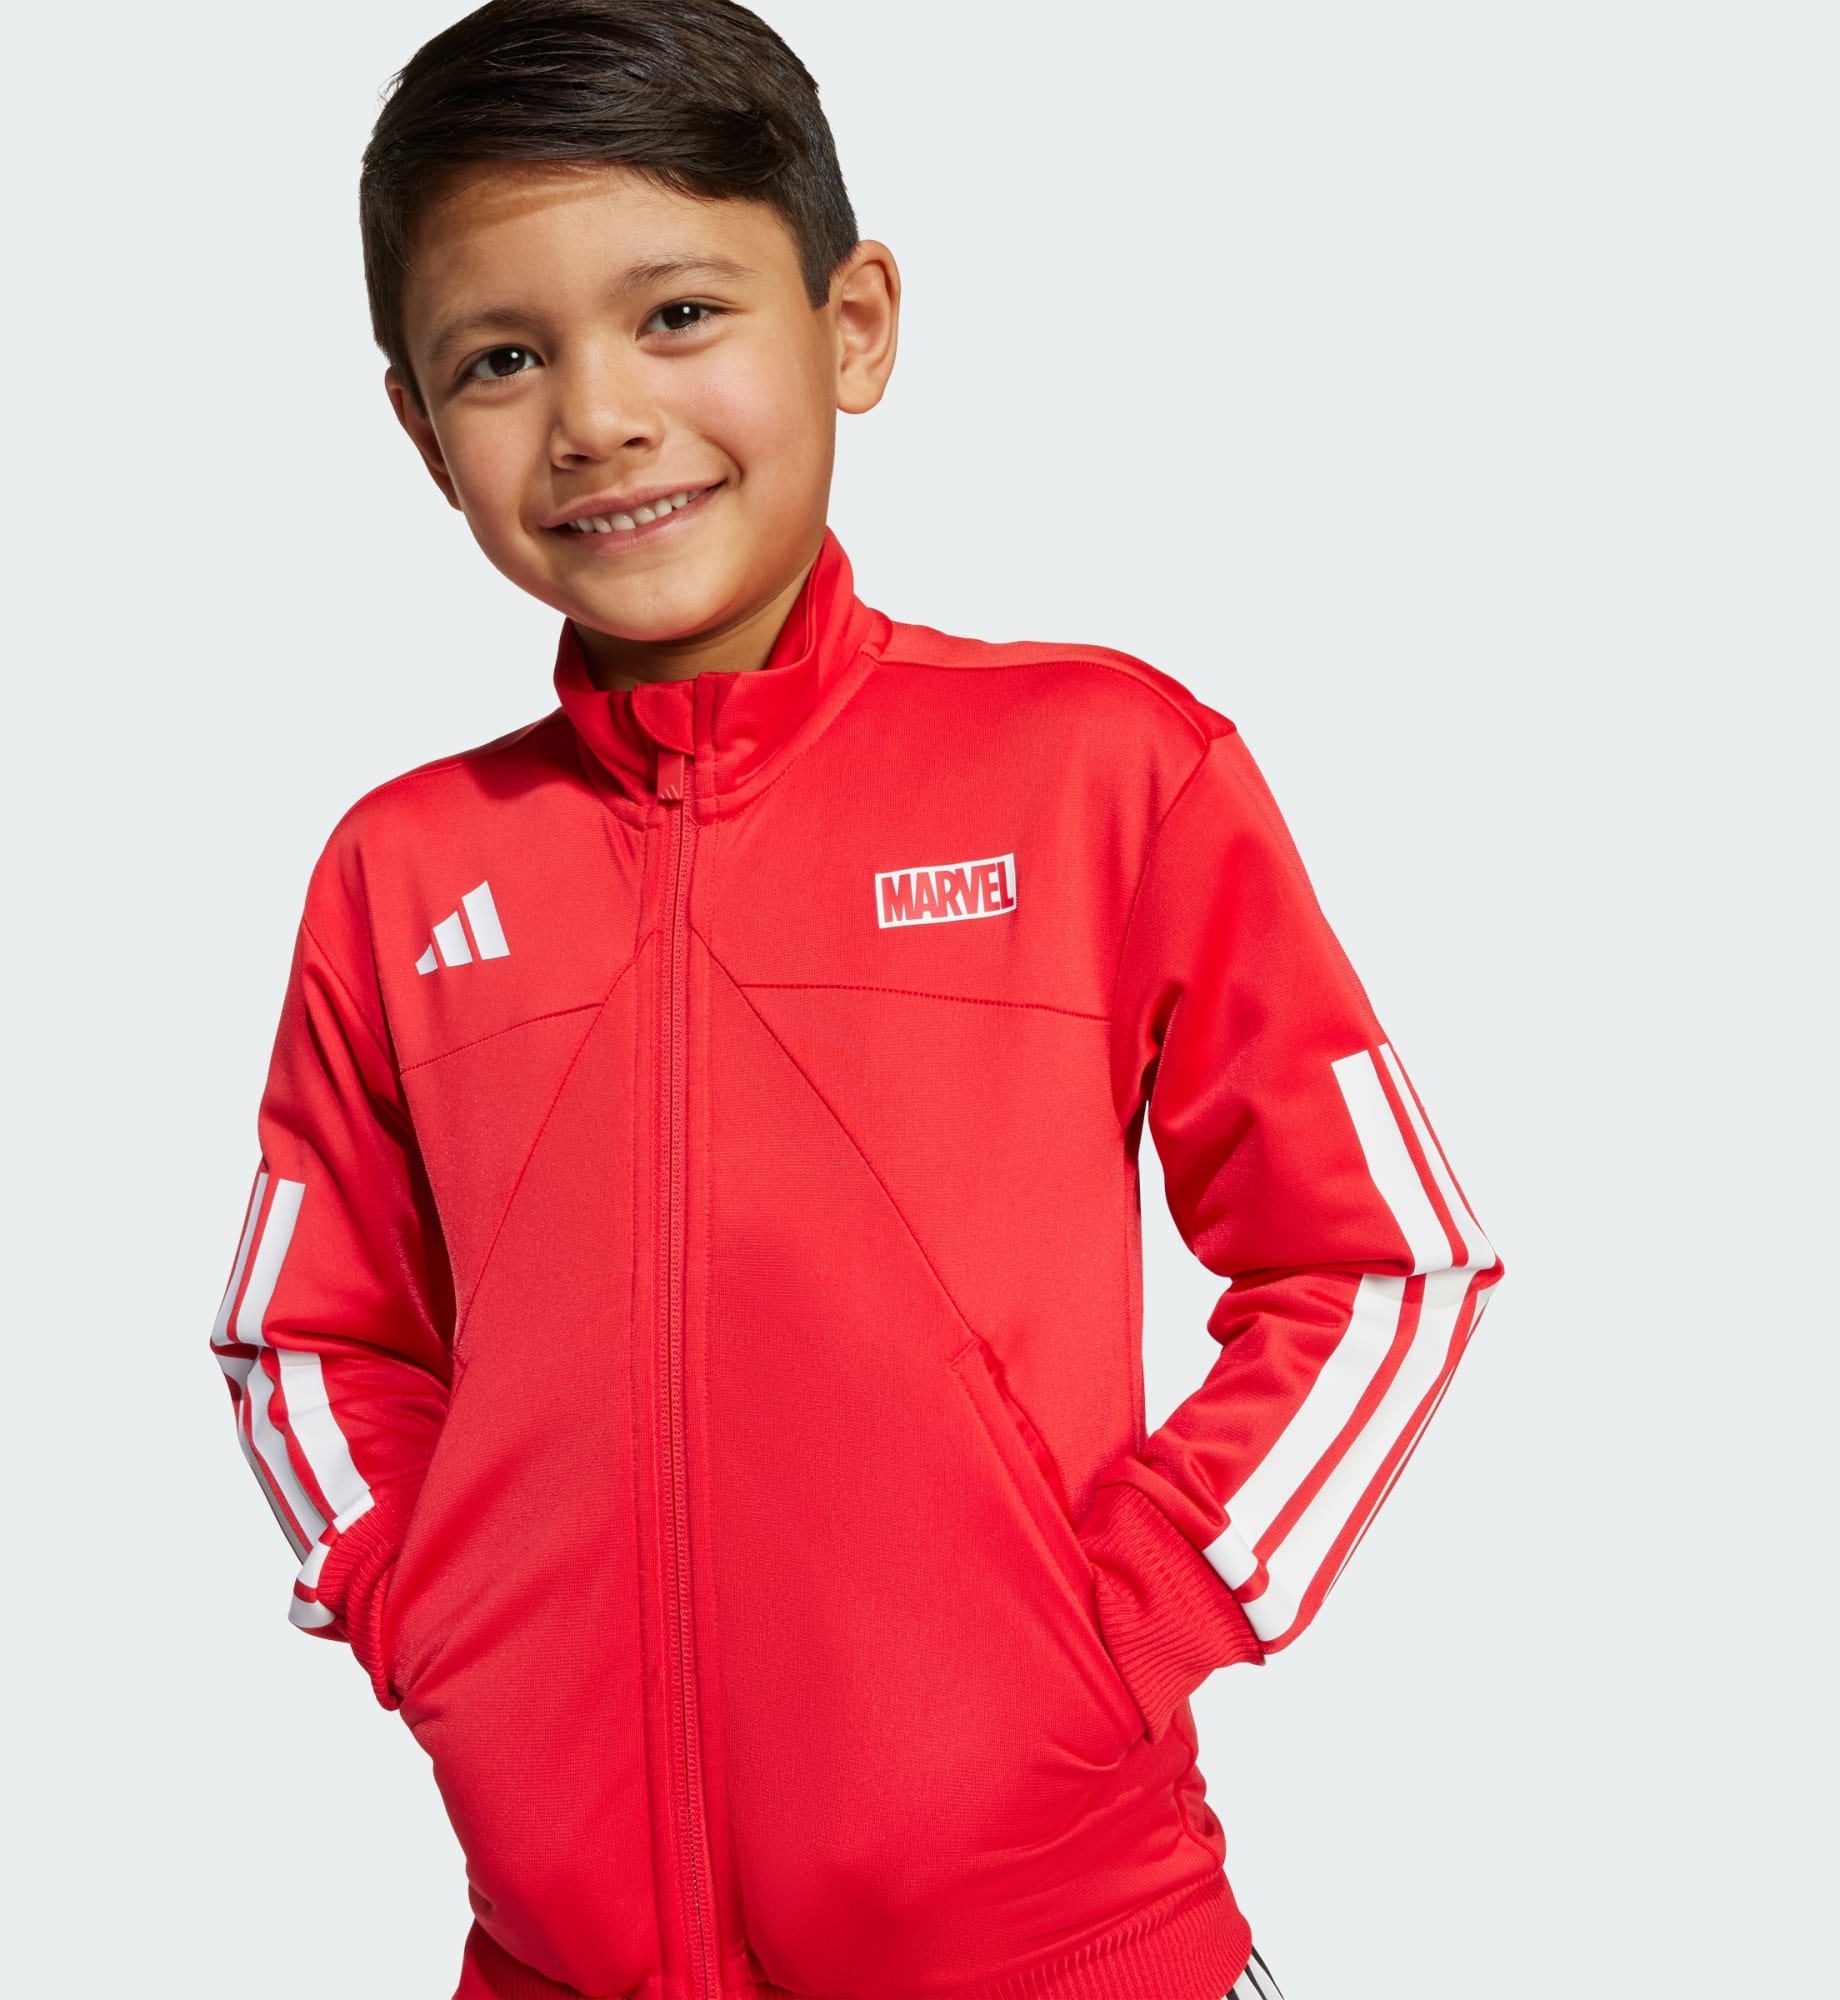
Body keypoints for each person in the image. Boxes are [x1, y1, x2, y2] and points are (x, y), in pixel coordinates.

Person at [205, 5, 1502, 1998]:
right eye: (502, 359)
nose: (598, 417)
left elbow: (1384, 1258)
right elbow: (307, 1333)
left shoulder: (1101, 769)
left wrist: (1136, 1614)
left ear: (856, 325)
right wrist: (423, 1610)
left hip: (1064, 1950)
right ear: (418, 430)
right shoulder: (403, 870)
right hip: (560, 1963)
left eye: (677, 315)